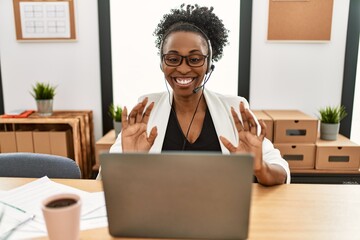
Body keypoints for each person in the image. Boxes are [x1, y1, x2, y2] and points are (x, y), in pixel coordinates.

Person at [98, 4, 290, 185]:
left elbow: (280, 171)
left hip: (220, 211)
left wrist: (259, 168)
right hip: (159, 213)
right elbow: (104, 179)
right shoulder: (147, 109)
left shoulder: (235, 109)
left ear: (209, 64)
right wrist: (130, 163)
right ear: (162, 63)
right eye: (173, 59)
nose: (183, 68)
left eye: (195, 59)